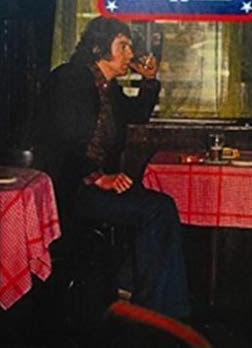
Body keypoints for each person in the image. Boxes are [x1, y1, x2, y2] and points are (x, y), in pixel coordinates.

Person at [32, 16, 190, 319]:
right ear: (98, 48)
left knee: (160, 206)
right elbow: (60, 141)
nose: (130, 54)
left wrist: (149, 81)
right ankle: (158, 309)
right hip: (67, 190)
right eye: (123, 46)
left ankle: (133, 291)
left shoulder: (109, 88)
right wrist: (95, 177)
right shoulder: (70, 78)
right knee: (157, 209)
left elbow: (136, 115)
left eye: (129, 46)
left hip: (92, 185)